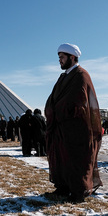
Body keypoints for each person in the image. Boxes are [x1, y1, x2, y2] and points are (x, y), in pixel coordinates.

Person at [44, 43, 102, 202]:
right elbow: (54, 99)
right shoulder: (64, 76)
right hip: (61, 128)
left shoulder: (81, 75)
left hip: (75, 129)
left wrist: (60, 110)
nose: (60, 61)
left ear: (72, 57)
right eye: (59, 58)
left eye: (62, 57)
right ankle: (62, 188)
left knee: (76, 162)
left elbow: (78, 100)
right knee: (62, 160)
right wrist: (50, 109)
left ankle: (78, 192)